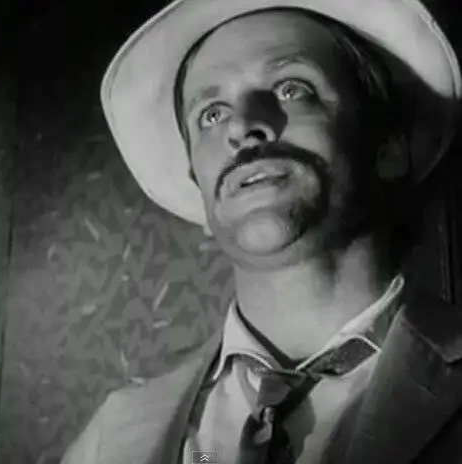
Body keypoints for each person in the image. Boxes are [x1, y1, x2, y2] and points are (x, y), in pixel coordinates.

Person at [62, 0, 462, 463]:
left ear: (388, 148)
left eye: (291, 88)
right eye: (211, 114)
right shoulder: (108, 442)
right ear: (200, 189)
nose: (242, 127)